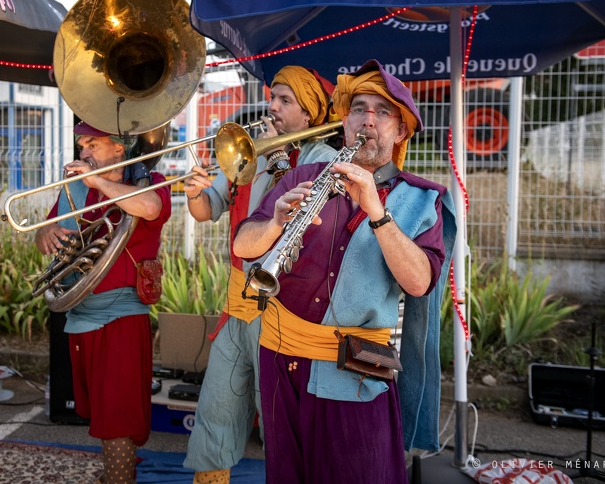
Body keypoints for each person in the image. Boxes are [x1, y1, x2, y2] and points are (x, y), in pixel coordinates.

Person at [232, 59, 457, 483]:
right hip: (281, 360)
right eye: (358, 108)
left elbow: (419, 282)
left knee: (361, 472)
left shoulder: (421, 199)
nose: (367, 119)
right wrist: (277, 222)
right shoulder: (302, 175)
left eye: (382, 111)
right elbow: (244, 245)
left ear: (400, 131)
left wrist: (377, 212)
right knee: (287, 474)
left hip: (356, 370)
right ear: (345, 120)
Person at [182, 66, 339, 484]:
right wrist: (195, 190)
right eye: (273, 98)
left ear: (308, 113)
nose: (272, 107)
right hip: (239, 307)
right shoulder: (247, 151)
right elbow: (205, 211)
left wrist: (276, 162)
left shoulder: (324, 159)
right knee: (216, 409)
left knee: (281, 422)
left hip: (287, 314)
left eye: (285, 100)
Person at [35, 122, 172, 484]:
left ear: (118, 149)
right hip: (80, 313)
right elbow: (44, 234)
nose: (84, 152)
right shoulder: (75, 188)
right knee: (101, 408)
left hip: (122, 315)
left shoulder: (149, 179)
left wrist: (100, 183)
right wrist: (45, 234)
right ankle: (115, 475)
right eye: (82, 145)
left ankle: (118, 479)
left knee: (118, 414)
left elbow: (150, 206)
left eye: (93, 144)